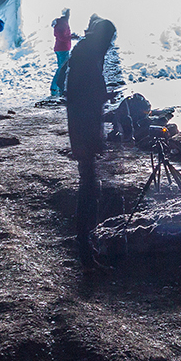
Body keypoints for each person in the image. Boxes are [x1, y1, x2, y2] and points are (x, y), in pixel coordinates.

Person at [65, 17, 115, 267]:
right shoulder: (87, 54)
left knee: (89, 184)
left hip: (83, 127)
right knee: (88, 187)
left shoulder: (85, 51)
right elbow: (83, 92)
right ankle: (85, 246)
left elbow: (78, 90)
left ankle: (87, 243)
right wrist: (104, 95)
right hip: (84, 129)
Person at [50, 8, 78, 97]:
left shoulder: (60, 23)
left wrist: (70, 36)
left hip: (60, 48)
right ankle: (55, 88)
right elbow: (62, 37)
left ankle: (57, 88)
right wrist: (71, 37)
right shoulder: (63, 23)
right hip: (63, 48)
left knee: (61, 69)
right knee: (61, 69)